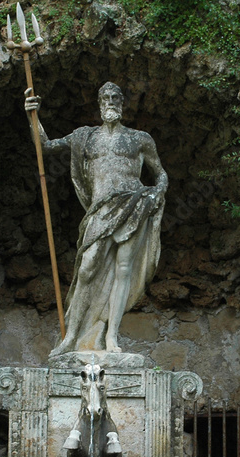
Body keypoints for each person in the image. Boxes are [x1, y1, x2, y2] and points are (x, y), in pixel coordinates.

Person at [25, 82, 167, 356]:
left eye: (115, 98)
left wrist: (156, 193)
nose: (110, 102)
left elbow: (160, 172)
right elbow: (45, 145)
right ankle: (71, 337)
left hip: (133, 205)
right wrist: (33, 117)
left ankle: (111, 336)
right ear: (100, 104)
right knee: (87, 267)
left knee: (123, 269)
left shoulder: (139, 139)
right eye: (106, 98)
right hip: (100, 209)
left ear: (122, 103)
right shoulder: (85, 137)